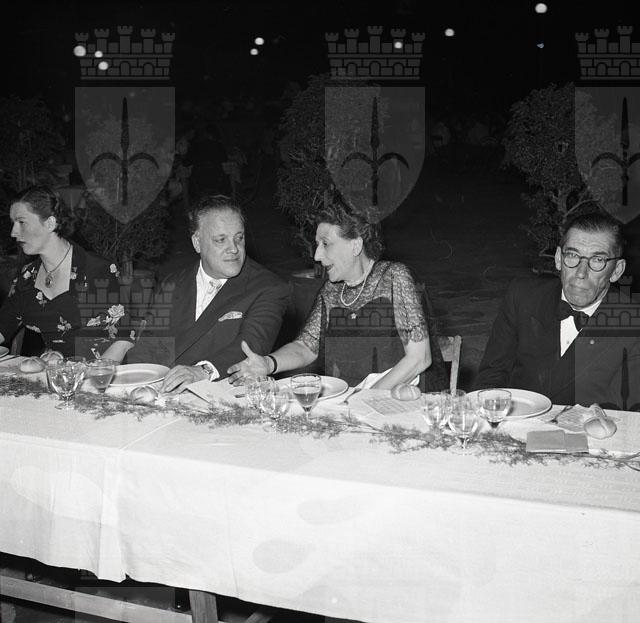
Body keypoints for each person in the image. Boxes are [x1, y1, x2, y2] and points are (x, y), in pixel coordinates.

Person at [227, 201, 447, 391]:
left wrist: (364, 399)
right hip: (352, 403)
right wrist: (268, 363)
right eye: (317, 245)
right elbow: (305, 347)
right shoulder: (331, 291)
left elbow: (419, 358)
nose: (317, 255)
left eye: (325, 244)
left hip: (398, 402)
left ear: (355, 245)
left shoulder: (394, 277)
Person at [475, 211, 640, 410]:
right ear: (559, 259)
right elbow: (491, 377)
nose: (581, 273)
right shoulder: (522, 297)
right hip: (516, 423)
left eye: (597, 260)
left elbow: (627, 413)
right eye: (573, 255)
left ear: (616, 270)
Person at [127, 194, 289, 392]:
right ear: (197, 242)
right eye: (221, 240)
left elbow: (250, 347)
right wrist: (133, 384)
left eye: (239, 238)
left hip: (224, 394)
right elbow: (149, 345)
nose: (234, 249)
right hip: (163, 393)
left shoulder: (268, 287)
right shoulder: (173, 283)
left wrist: (203, 371)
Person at [0, 186, 133, 359]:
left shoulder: (98, 270)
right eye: (13, 223)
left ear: (50, 223)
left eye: (21, 222)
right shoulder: (26, 277)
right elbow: (4, 324)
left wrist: (98, 372)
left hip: (102, 368)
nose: (13, 232)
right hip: (53, 370)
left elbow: (124, 337)